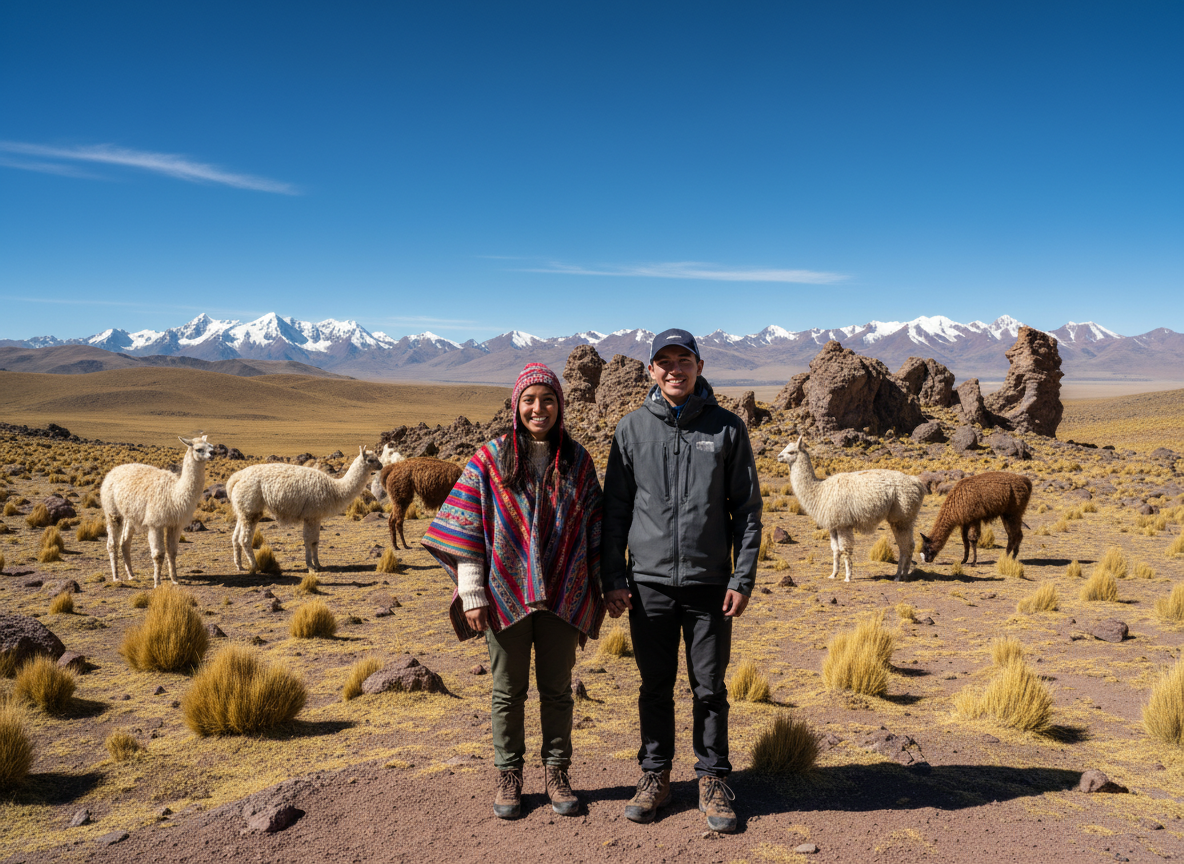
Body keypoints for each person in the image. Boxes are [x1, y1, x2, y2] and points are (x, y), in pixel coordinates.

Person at [422, 363, 606, 820]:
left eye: (547, 399)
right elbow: (466, 528)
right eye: (529, 400)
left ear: (559, 405)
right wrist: (473, 594)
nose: (538, 408)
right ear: (515, 405)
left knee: (558, 689)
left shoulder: (578, 460)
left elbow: (596, 529)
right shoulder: (489, 458)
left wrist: (605, 585)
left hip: (562, 593)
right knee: (507, 692)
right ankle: (509, 774)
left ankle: (557, 771)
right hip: (504, 594)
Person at [602, 328, 763, 833]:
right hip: (648, 583)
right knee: (654, 686)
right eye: (664, 361)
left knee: (709, 688)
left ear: (699, 366)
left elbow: (749, 513)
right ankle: (655, 776)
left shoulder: (727, 429)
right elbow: (615, 512)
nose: (675, 369)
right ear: (651, 370)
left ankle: (713, 779)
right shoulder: (630, 431)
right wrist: (612, 575)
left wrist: (742, 577)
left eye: (684, 360)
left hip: (710, 585)